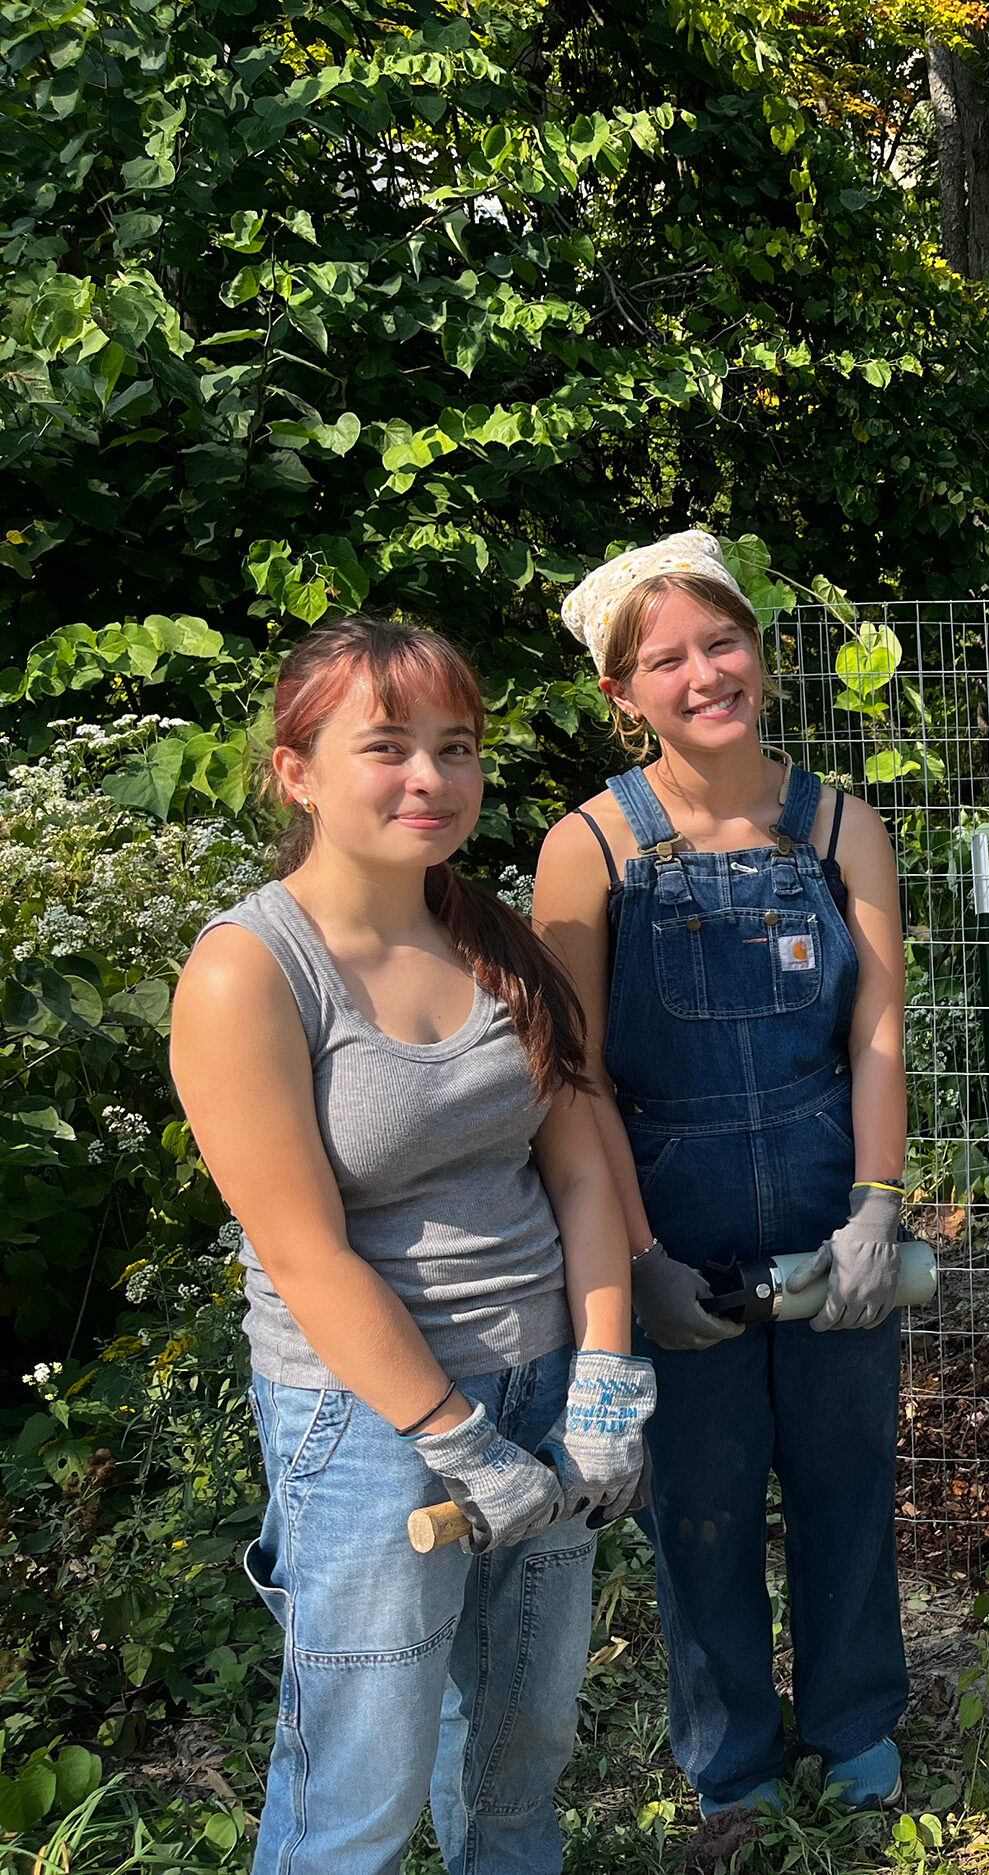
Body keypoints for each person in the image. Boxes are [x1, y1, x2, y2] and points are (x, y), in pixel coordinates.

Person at [171, 617, 651, 1875]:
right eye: (384, 747)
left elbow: (583, 1172)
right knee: (360, 1798)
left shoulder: (500, 948)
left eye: (455, 746)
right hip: (370, 1426)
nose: (429, 779)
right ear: (297, 772)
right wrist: (454, 1441)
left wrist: (606, 1371)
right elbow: (307, 1253)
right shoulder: (249, 972)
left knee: (521, 1755)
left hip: (545, 1385)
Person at [533, 531, 912, 1861]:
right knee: (698, 1500)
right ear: (622, 691)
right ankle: (732, 1764)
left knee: (844, 1471)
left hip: (823, 1185)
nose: (706, 673)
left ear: (761, 645)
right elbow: (571, 1076)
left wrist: (875, 1203)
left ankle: (857, 1727)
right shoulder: (587, 847)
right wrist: (631, 1254)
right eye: (666, 658)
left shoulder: (839, 823)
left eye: (723, 641)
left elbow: (876, 1027)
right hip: (669, 1200)